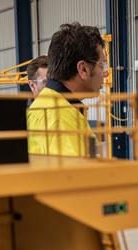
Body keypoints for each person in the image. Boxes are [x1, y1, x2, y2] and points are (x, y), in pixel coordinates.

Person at [27, 23, 107, 156]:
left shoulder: (38, 107)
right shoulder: (62, 120)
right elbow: (76, 176)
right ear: (83, 69)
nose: (106, 73)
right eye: (102, 65)